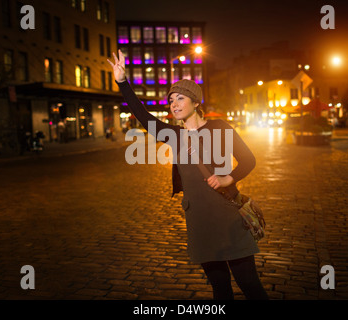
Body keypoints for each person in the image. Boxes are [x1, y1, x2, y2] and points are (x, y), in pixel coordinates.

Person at [108, 50, 268, 300]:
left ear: (195, 102)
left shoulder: (219, 127)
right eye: (171, 101)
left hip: (228, 216)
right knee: (220, 289)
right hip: (199, 221)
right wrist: (122, 82)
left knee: (250, 286)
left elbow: (249, 160)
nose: (174, 104)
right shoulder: (174, 135)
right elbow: (143, 116)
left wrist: (229, 178)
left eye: (180, 98)